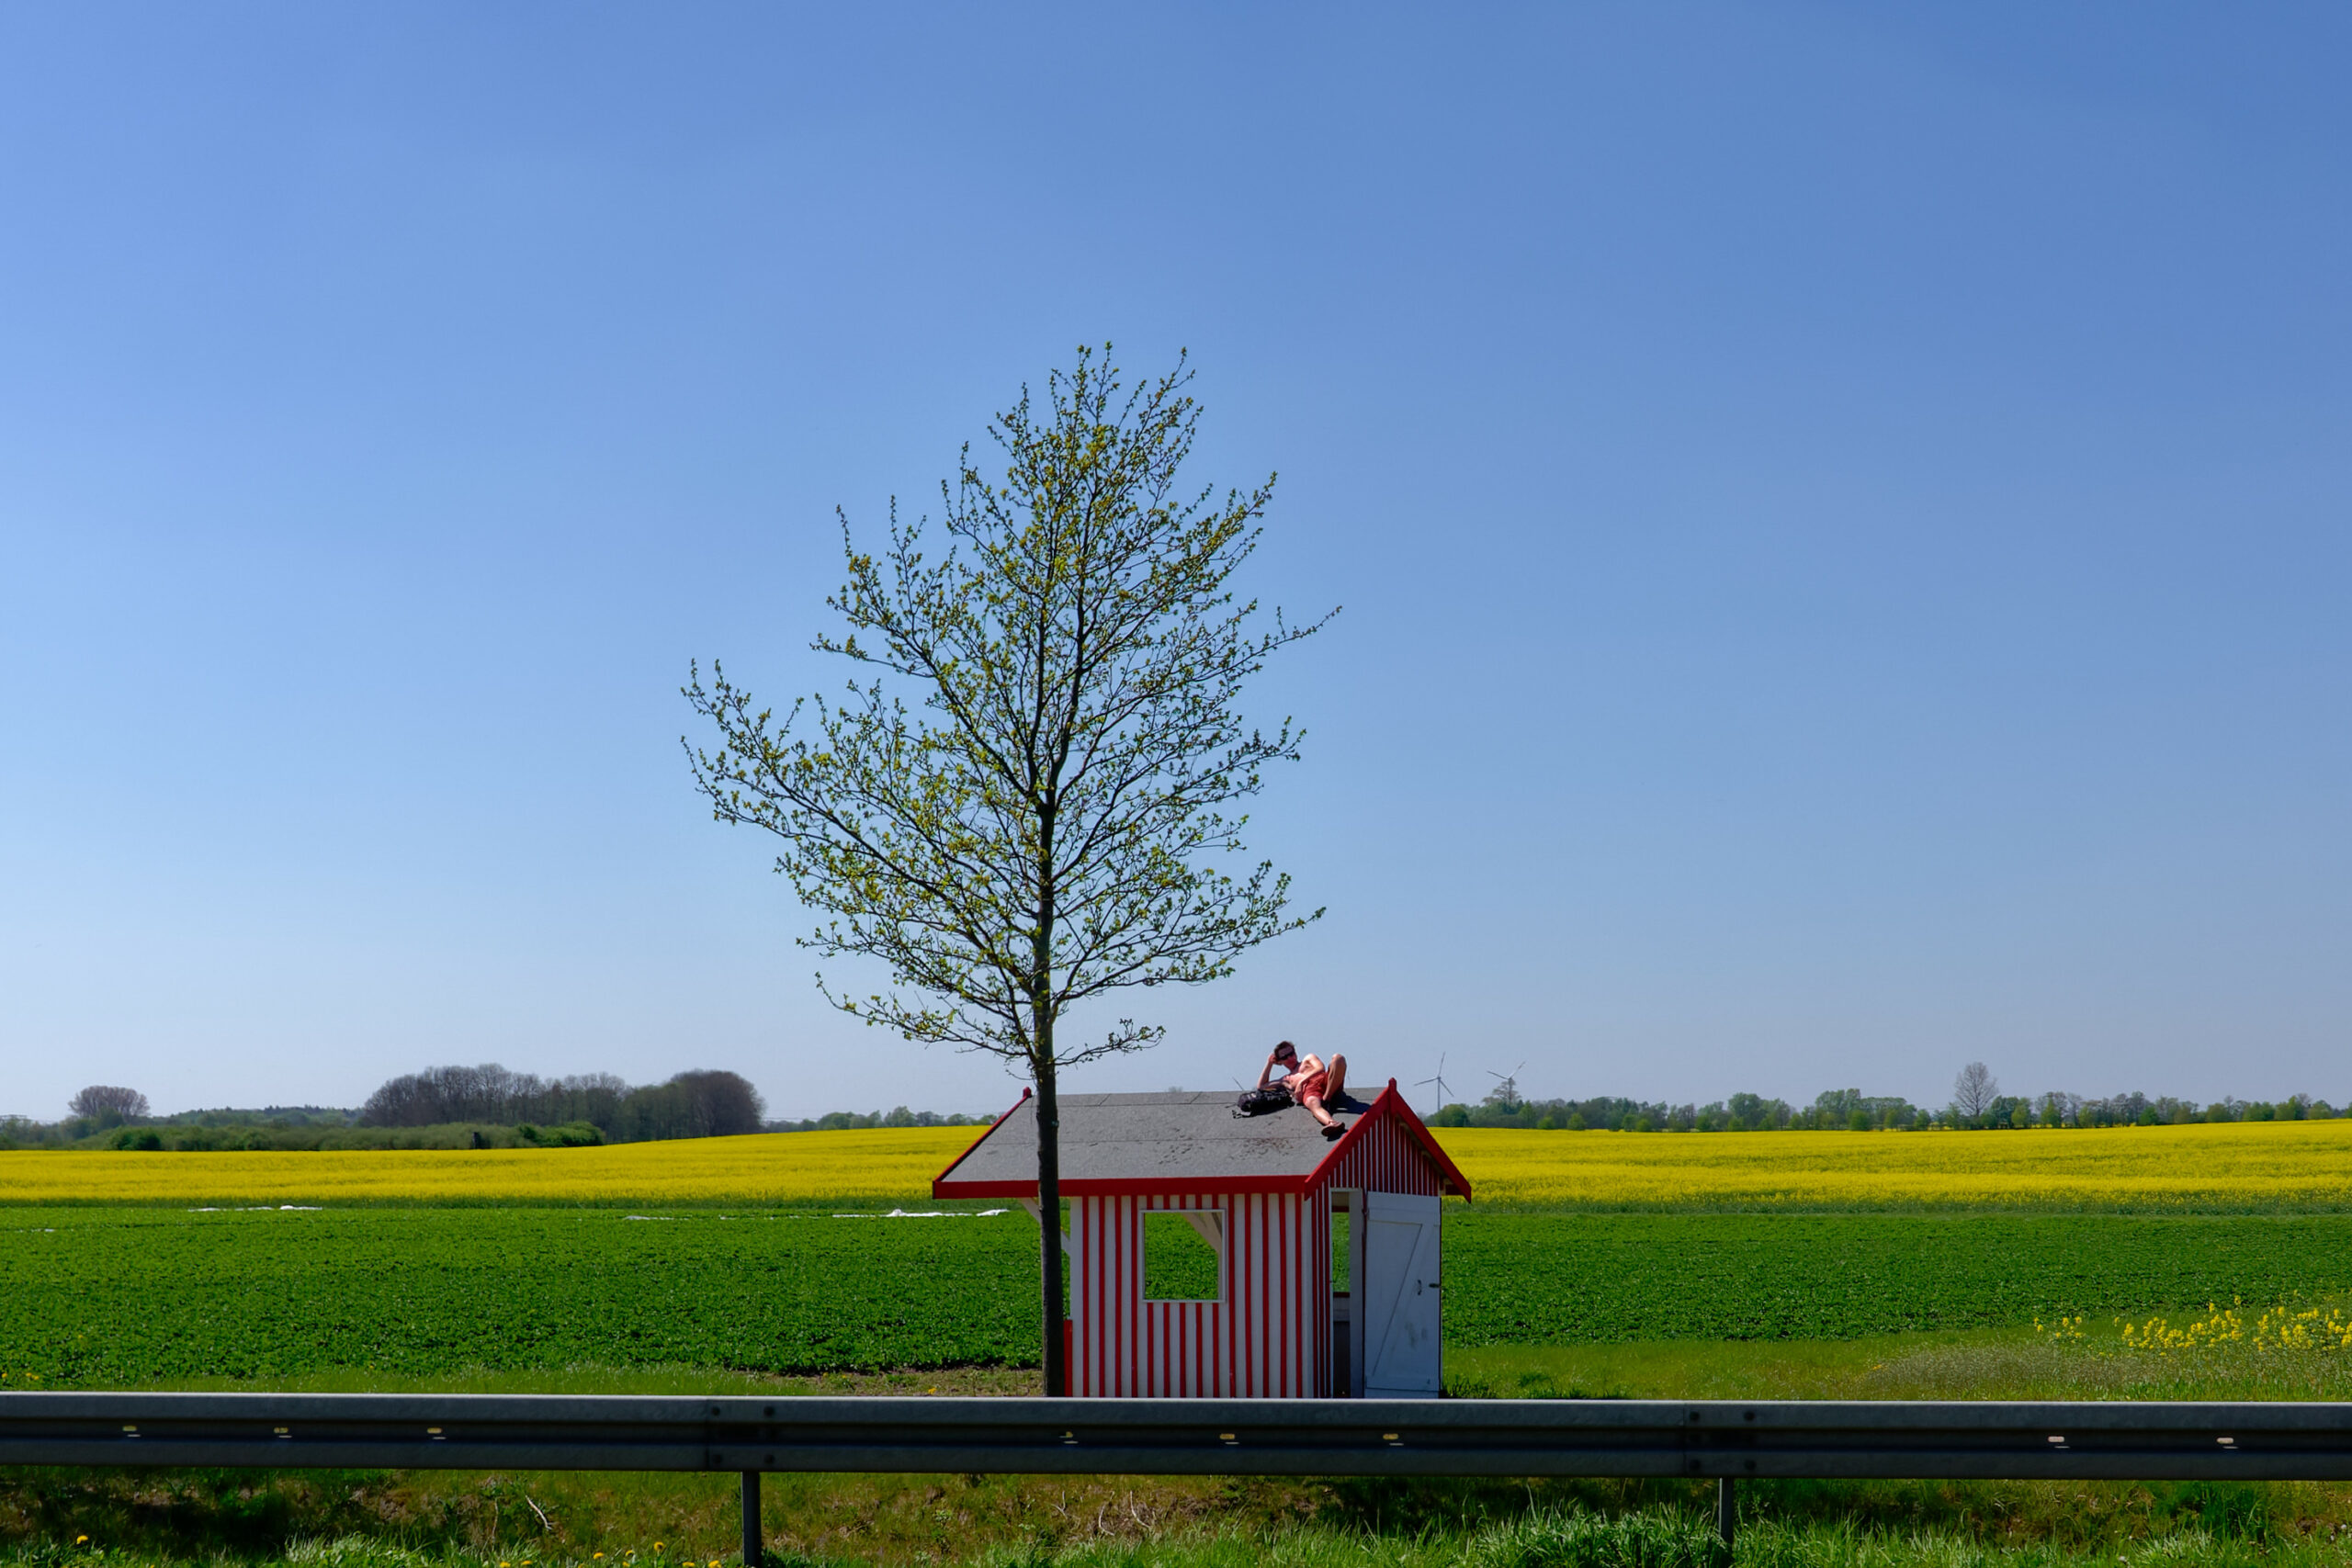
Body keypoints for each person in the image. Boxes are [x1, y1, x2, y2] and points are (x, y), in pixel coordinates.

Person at [1258, 1040, 1350, 1137]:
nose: (1289, 1058)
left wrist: (1302, 1082)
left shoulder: (1308, 1059)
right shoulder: (1286, 1079)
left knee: (1338, 1058)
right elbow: (1261, 1086)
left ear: (1295, 1052)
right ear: (1280, 1061)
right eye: (1284, 1057)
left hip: (1326, 1081)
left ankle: (1327, 1099)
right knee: (1312, 1102)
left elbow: (1320, 1068)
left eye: (1291, 1054)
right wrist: (1269, 1064)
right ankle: (1331, 1123)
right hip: (1310, 1091)